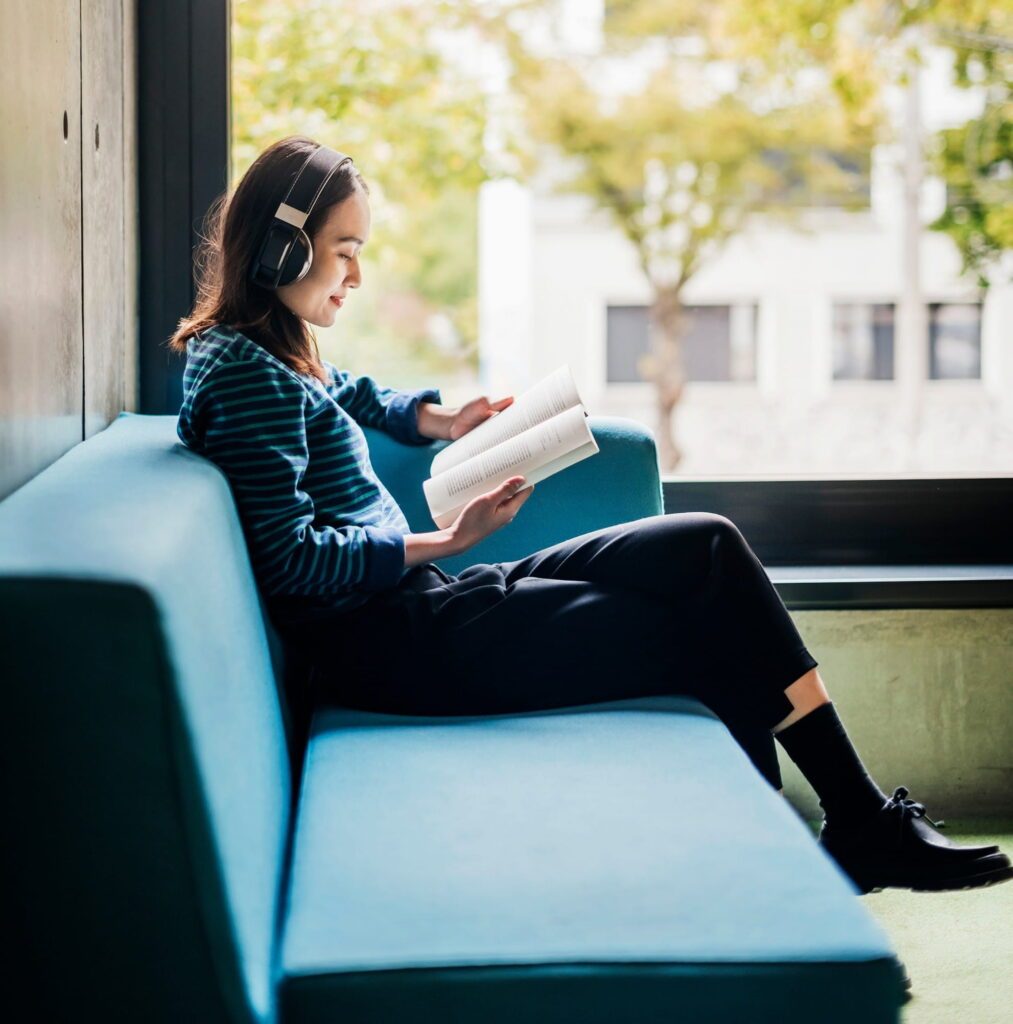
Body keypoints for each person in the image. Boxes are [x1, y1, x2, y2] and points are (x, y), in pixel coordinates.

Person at [169, 135, 1010, 899]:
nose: (355, 276)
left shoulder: (266, 349)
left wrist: (435, 421)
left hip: (426, 613)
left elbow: (339, 392)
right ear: (283, 247)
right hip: (398, 648)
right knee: (692, 629)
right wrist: (444, 541)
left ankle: (854, 824)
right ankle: (808, 861)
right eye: (344, 252)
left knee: (705, 548)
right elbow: (289, 560)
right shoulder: (249, 374)